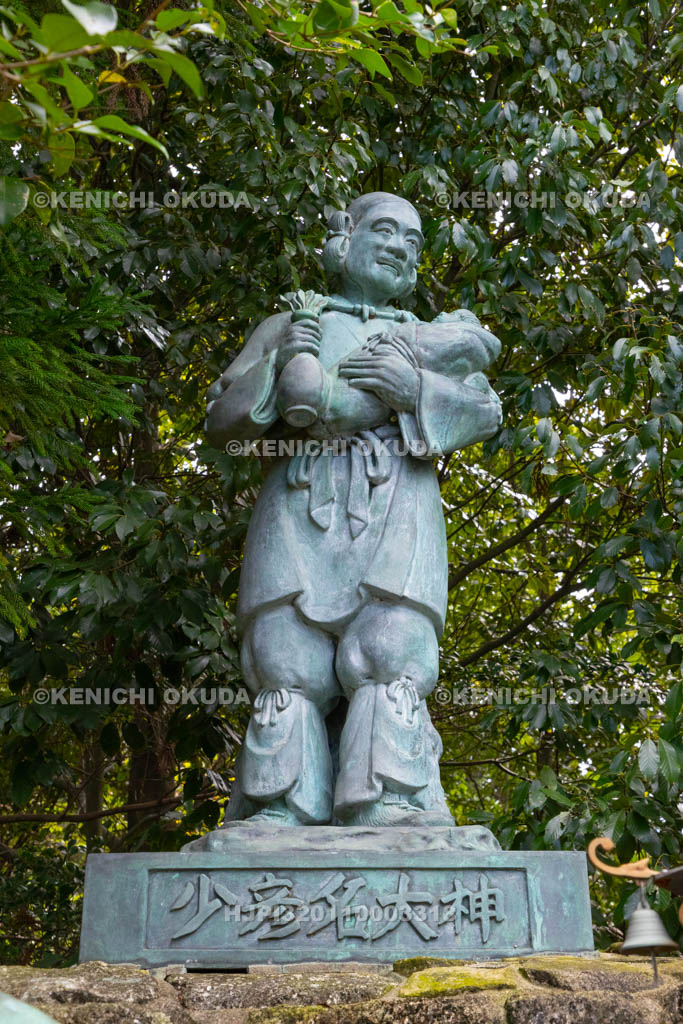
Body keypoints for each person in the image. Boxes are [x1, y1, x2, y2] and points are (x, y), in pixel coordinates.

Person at [206, 192, 502, 827]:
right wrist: (282, 367)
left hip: (396, 502)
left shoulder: (427, 338)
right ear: (346, 238)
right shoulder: (289, 324)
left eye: (413, 241)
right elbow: (221, 422)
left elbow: (485, 411)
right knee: (287, 658)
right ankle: (277, 804)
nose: (400, 247)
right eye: (386, 231)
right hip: (297, 501)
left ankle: (390, 798)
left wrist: (415, 390)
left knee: (393, 648)